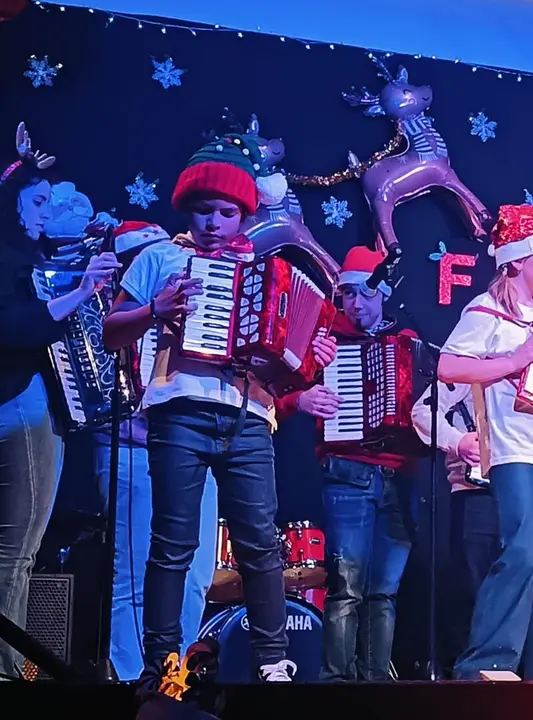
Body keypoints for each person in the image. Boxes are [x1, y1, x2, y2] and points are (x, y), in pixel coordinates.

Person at [103, 133, 337, 684]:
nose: (214, 223)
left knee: (260, 539)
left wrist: (311, 359)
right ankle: (162, 663)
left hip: (248, 413)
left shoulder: (265, 269)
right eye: (205, 211)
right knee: (174, 541)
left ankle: (271, 660)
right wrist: (156, 311)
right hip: (179, 408)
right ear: (188, 209)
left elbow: (283, 365)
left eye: (226, 212)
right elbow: (112, 330)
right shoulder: (160, 258)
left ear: (242, 215)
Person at [438, 204, 533, 681]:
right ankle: (488, 661)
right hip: (513, 447)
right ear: (520, 260)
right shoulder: (485, 311)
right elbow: (448, 368)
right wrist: (513, 359)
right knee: (522, 549)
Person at [0, 134, 118, 681]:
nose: (47, 215)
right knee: (17, 550)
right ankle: (11, 675)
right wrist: (80, 291)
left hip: (20, 400)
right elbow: (14, 327)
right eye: (39, 203)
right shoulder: (10, 257)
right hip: (16, 404)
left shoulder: (27, 257)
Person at [280, 246, 418, 681]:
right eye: (346, 295)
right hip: (347, 473)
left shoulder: (409, 340)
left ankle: (376, 683)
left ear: (382, 293)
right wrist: (302, 398)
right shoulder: (324, 339)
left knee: (384, 592)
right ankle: (336, 685)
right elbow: (276, 392)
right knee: (346, 589)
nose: (354, 304)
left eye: (363, 294)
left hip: (400, 477)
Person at [93, 222, 218, 682]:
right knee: (132, 573)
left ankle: (178, 677)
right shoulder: (105, 312)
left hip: (188, 445)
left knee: (196, 573)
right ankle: (133, 679)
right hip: (131, 447)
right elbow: (90, 387)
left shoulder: (195, 304)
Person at [410, 378, 496, 675]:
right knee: (472, 589)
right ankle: (467, 677)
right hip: (475, 491)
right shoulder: (469, 359)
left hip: (529, 492)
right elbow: (423, 411)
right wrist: (457, 440)